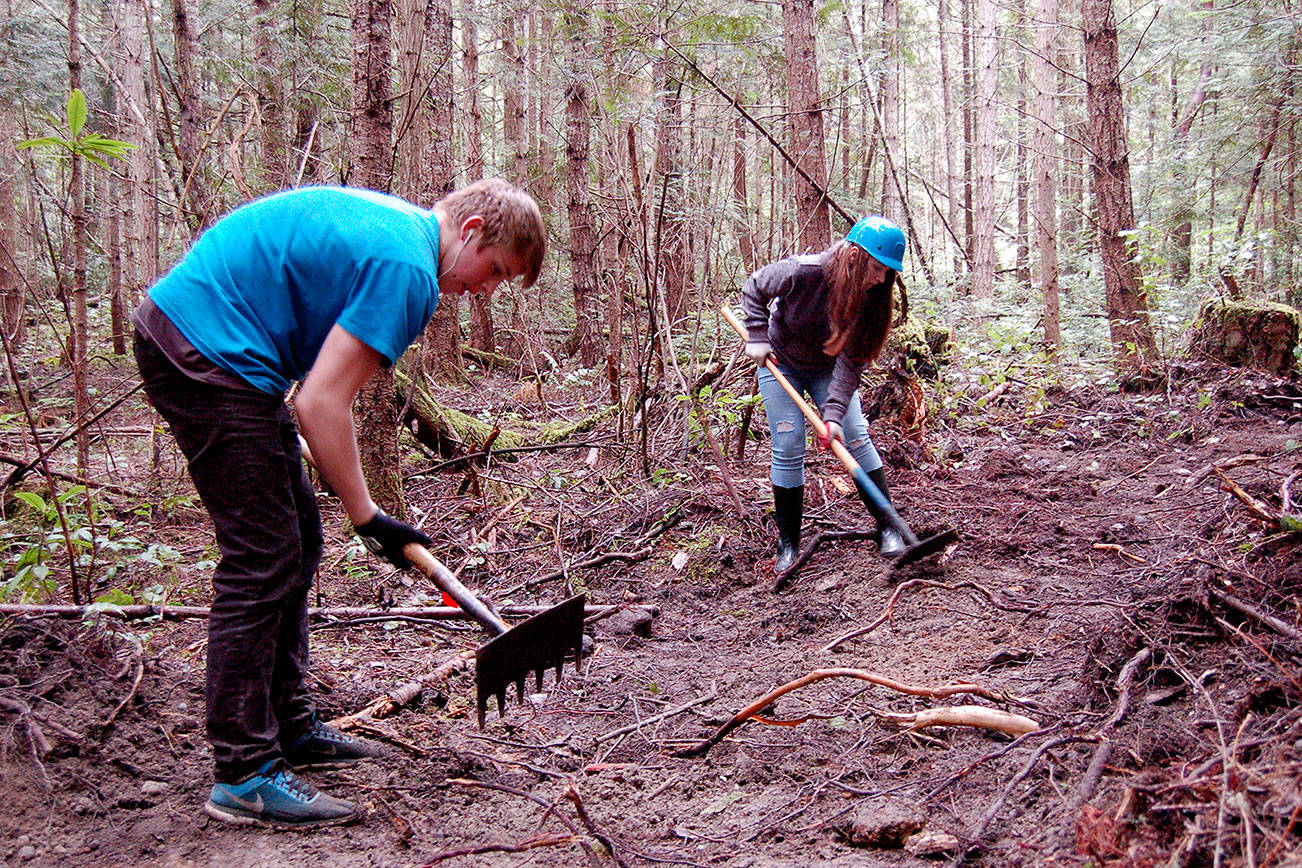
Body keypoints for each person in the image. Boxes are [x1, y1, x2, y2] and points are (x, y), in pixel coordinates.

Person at [131, 179, 546, 829]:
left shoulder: (399, 234)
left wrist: (360, 512)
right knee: (262, 556)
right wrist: (367, 514)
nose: (484, 290)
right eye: (493, 271)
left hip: (214, 346)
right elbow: (320, 401)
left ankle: (290, 728)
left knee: (296, 534)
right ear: (469, 231)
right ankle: (242, 774)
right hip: (207, 352)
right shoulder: (407, 269)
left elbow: (313, 386)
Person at [741, 215, 907, 573]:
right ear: (854, 257)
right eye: (877, 268)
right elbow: (755, 287)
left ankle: (888, 527)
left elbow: (852, 364)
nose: (881, 279)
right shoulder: (804, 272)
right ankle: (789, 544)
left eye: (887, 274)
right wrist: (757, 335)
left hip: (828, 368)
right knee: (787, 444)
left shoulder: (872, 300)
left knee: (856, 436)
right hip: (780, 362)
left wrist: (832, 416)